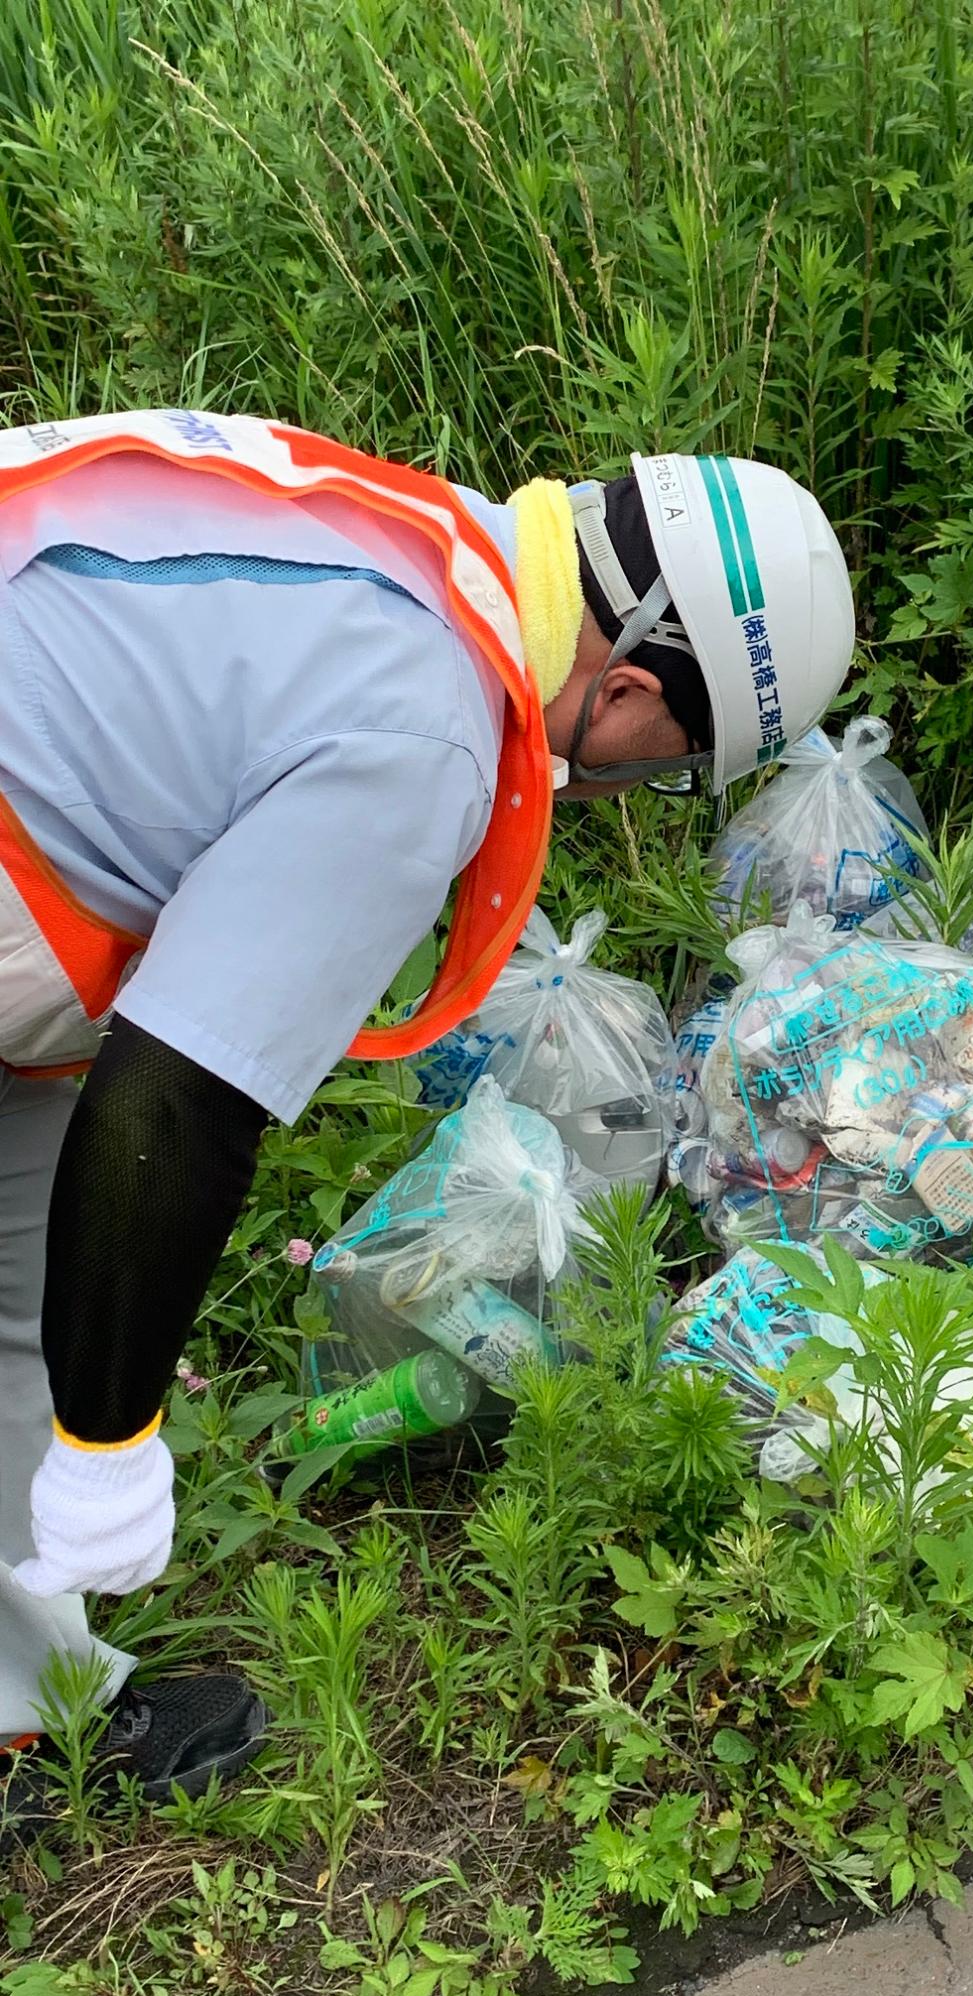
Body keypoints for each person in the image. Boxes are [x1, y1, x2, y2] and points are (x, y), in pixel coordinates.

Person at [0, 410, 853, 1830]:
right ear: (627, 689)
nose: (621, 794)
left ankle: (21, 1709)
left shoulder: (422, 547)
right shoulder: (426, 726)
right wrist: (108, 1442)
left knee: (20, 1274)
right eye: (660, 764)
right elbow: (177, 1096)